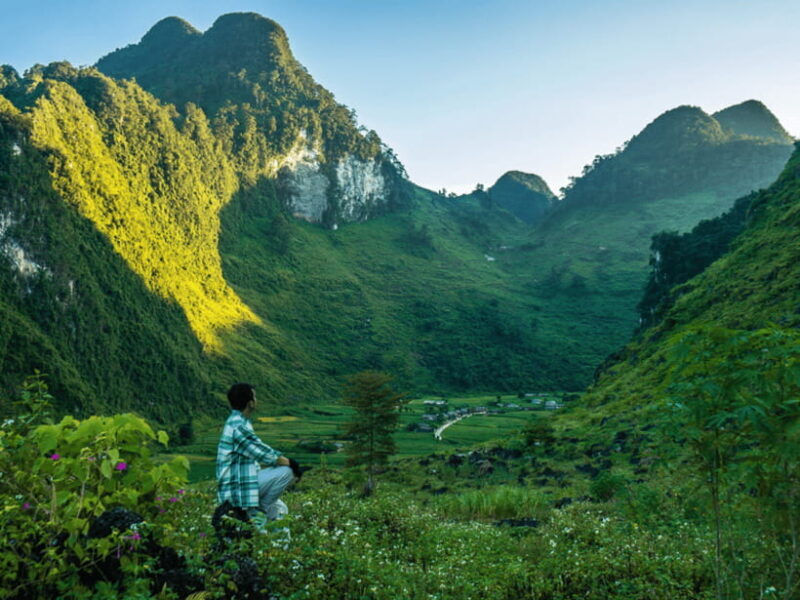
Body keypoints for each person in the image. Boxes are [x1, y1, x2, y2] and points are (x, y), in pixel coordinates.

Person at [216, 383, 294, 529]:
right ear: (250, 403)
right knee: (287, 471)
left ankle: (276, 540)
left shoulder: (238, 421)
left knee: (280, 509)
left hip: (241, 485)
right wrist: (292, 464)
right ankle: (261, 508)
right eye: (255, 397)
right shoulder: (238, 426)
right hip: (238, 490)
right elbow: (264, 454)